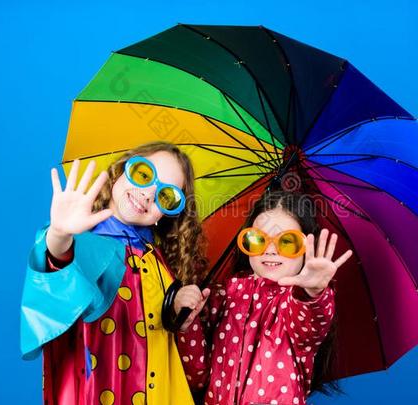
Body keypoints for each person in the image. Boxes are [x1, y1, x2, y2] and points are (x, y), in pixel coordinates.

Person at [20, 141, 207, 405]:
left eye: (167, 196)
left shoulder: (160, 264)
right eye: (144, 174)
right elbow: (57, 268)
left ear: (166, 215)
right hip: (97, 391)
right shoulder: (83, 244)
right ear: (121, 171)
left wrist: (178, 313)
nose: (148, 194)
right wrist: (60, 236)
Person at [177, 191, 353, 405]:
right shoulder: (223, 297)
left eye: (287, 242)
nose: (270, 250)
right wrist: (188, 325)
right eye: (258, 239)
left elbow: (310, 322)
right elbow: (196, 379)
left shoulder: (296, 303)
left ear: (307, 248)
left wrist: (313, 293)